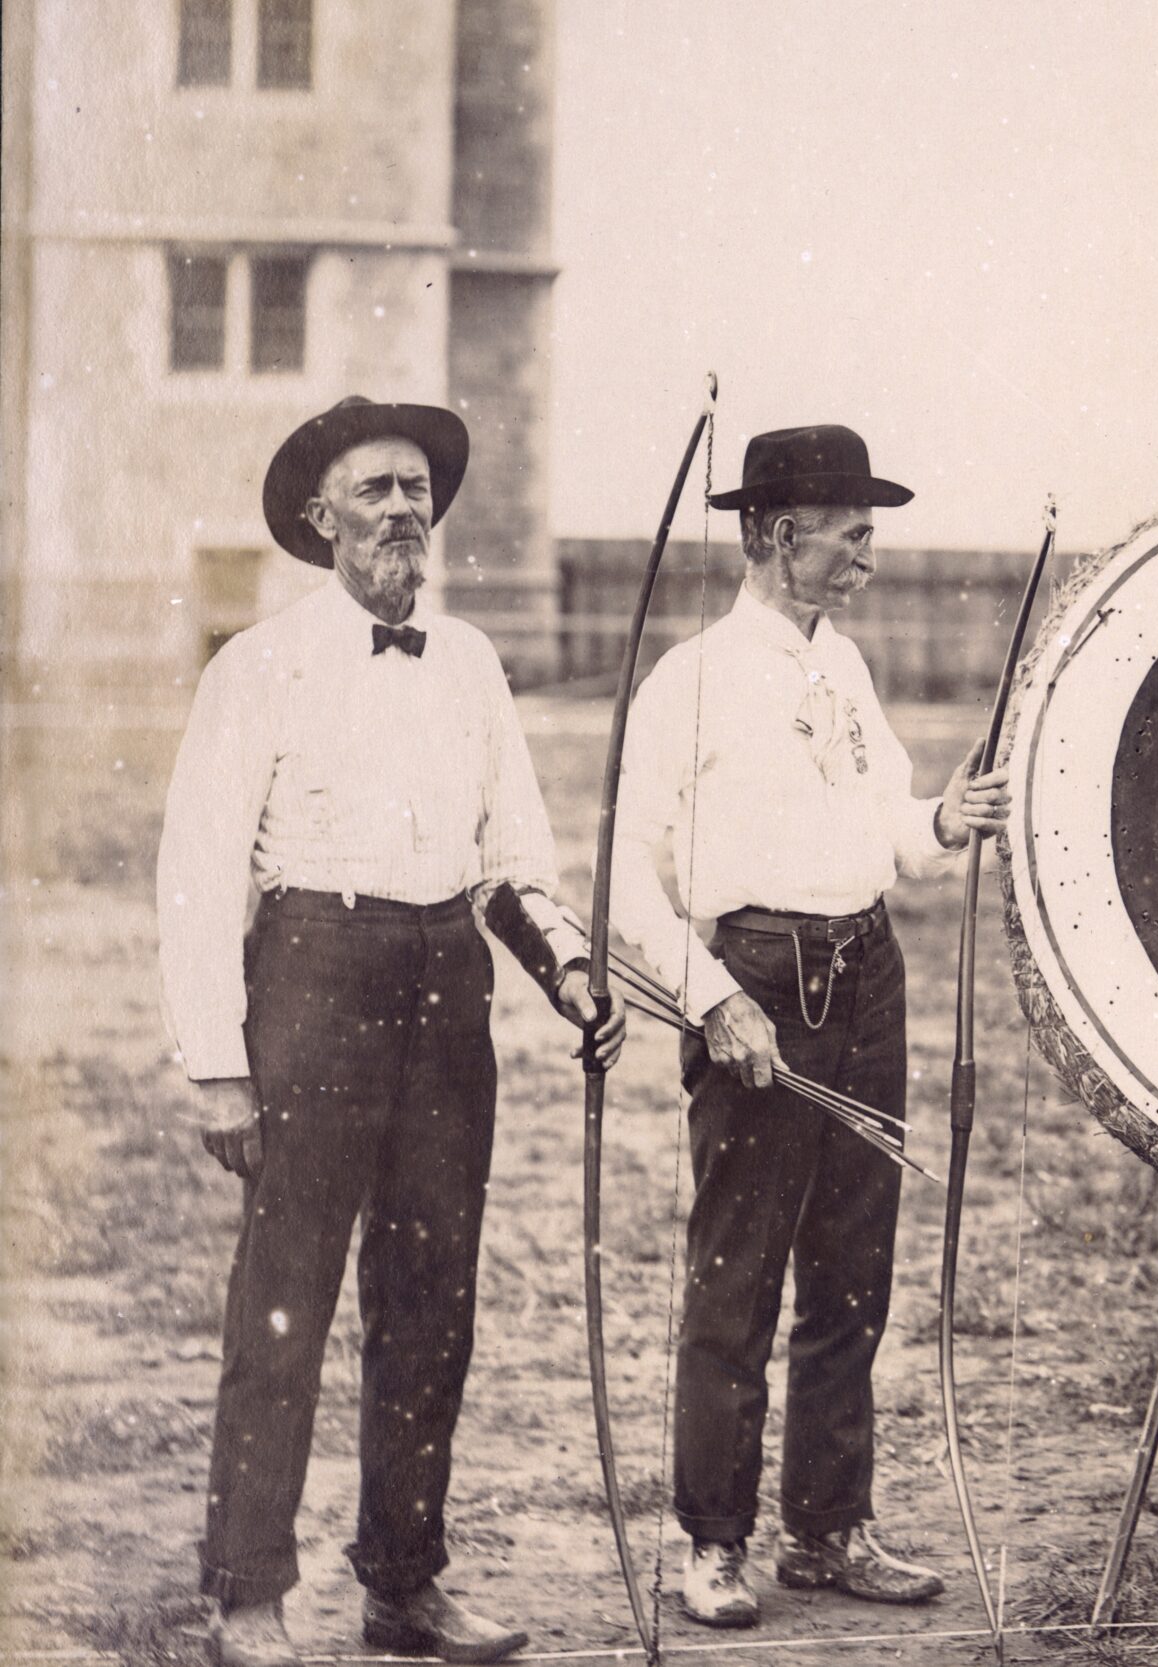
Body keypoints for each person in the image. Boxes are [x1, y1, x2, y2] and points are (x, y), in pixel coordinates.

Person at [157, 396, 624, 1667]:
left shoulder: (468, 661)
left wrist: (571, 969)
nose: (405, 509)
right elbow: (199, 874)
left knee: (430, 1298)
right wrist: (218, 1064)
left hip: (445, 988)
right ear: (322, 517)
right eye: (377, 488)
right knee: (285, 1300)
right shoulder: (258, 666)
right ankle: (246, 1592)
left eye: (418, 487)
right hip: (314, 976)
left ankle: (404, 1584)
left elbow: (511, 854)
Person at [609, 423, 1010, 1629]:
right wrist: (713, 998)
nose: (869, 558)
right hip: (757, 985)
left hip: (866, 974)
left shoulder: (845, 663)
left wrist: (946, 816)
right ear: (779, 535)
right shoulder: (689, 679)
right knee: (736, 1277)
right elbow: (624, 872)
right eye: (850, 535)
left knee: (852, 1273)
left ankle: (829, 1529)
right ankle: (713, 1540)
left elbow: (886, 818)